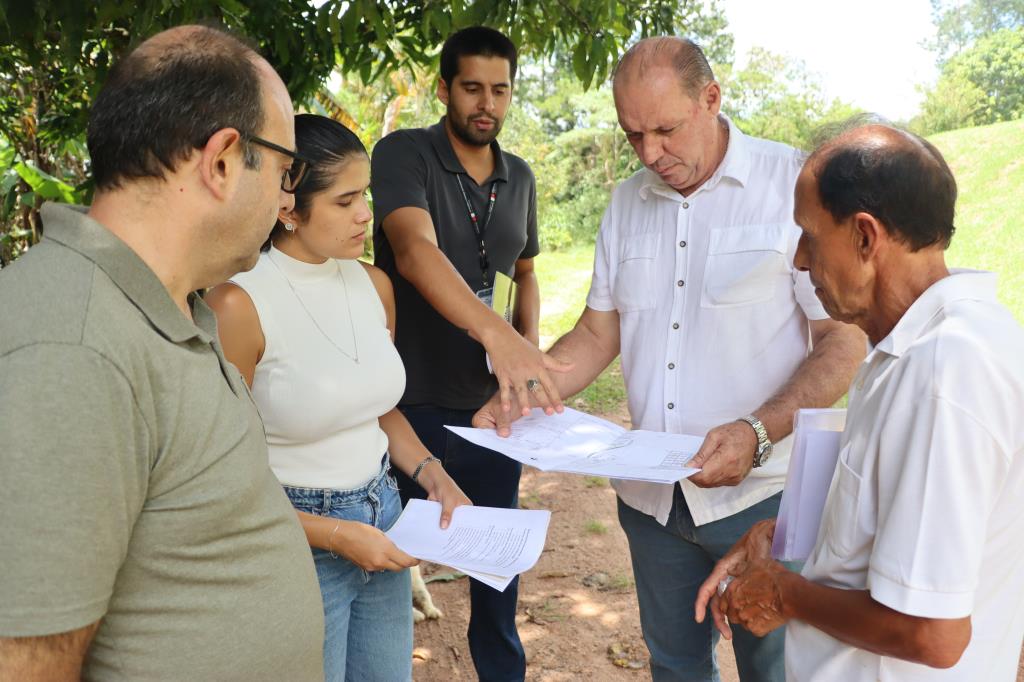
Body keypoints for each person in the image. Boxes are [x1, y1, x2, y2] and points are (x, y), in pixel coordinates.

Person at [474, 37, 867, 681]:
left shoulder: (793, 186)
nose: (650, 153)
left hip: (770, 498)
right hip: (654, 504)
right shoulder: (628, 202)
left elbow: (842, 340)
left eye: (665, 130)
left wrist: (758, 431)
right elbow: (600, 334)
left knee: (784, 671)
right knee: (675, 668)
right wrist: (527, 388)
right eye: (633, 135)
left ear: (711, 99)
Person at [0, 25, 325, 681]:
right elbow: (26, 664)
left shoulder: (170, 308)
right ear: (224, 160)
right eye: (287, 171)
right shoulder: (73, 346)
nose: (288, 199)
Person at [695, 121, 1024, 681]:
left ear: (866, 238)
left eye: (809, 236)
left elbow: (932, 632)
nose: (799, 260)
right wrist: (786, 533)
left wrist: (786, 595)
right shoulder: (919, 344)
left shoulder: (944, 372)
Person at [207, 113, 472, 682]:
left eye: (368, 195)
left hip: (384, 517)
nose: (365, 215)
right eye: (345, 200)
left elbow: (375, 408)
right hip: (296, 540)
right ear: (287, 208)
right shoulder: (239, 304)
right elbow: (220, 474)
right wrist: (336, 534)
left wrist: (433, 475)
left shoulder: (373, 283)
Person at [370, 26, 564, 680]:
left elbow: (527, 273)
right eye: (473, 88)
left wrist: (524, 354)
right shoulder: (404, 154)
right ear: (446, 88)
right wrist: (497, 335)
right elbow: (413, 251)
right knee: (384, 570)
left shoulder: (522, 177)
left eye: (501, 90)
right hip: (404, 403)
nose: (488, 103)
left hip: (491, 412)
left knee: (496, 577)